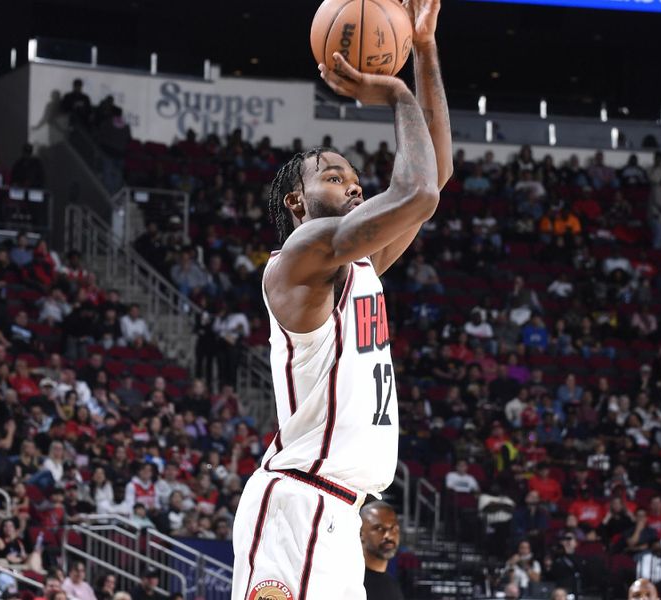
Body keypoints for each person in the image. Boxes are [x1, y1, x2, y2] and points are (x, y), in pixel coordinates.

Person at [230, 1, 451, 598]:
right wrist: (398, 96)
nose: (353, 184)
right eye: (332, 176)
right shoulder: (300, 258)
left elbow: (437, 174)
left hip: (339, 513)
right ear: (297, 204)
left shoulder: (360, 264)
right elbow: (418, 191)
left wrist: (424, 49)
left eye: (355, 179)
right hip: (298, 502)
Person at [360, 501, 404, 600]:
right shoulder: (349, 579)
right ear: (361, 534)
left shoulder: (392, 585)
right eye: (379, 528)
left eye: (393, 528)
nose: (388, 535)